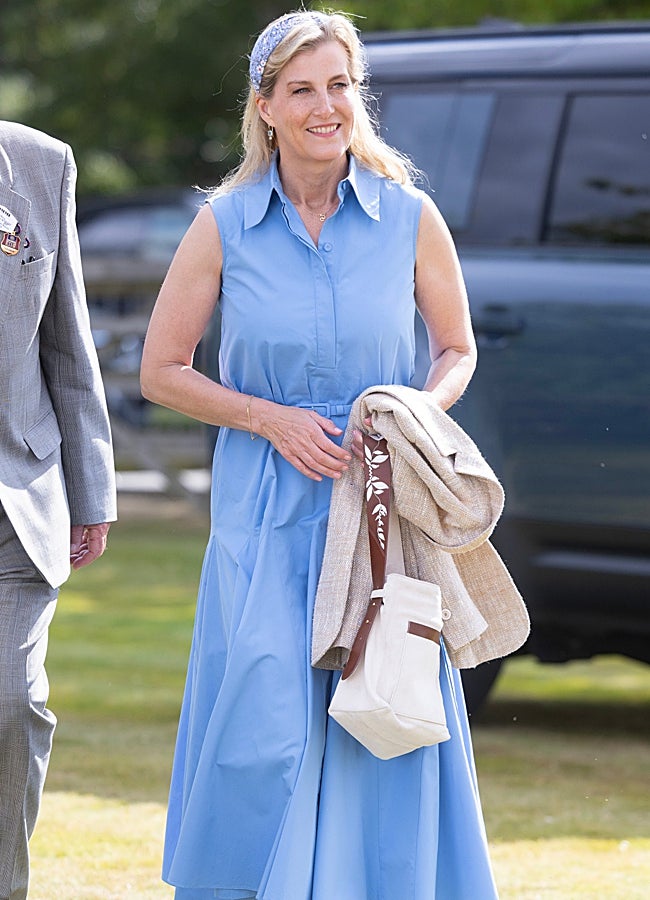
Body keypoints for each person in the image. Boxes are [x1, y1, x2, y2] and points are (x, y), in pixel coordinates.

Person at [141, 10, 500, 898]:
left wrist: (411, 409)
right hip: (265, 512)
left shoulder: (409, 216)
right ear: (265, 107)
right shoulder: (223, 224)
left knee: (384, 707)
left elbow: (457, 348)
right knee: (263, 723)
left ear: (358, 96)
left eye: (339, 85)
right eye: (301, 89)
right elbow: (161, 370)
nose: (324, 105)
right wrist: (268, 419)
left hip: (382, 507)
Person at [0, 120, 116, 900]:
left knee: (11, 703)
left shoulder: (41, 164)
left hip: (19, 495)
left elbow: (68, 344)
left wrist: (92, 493)